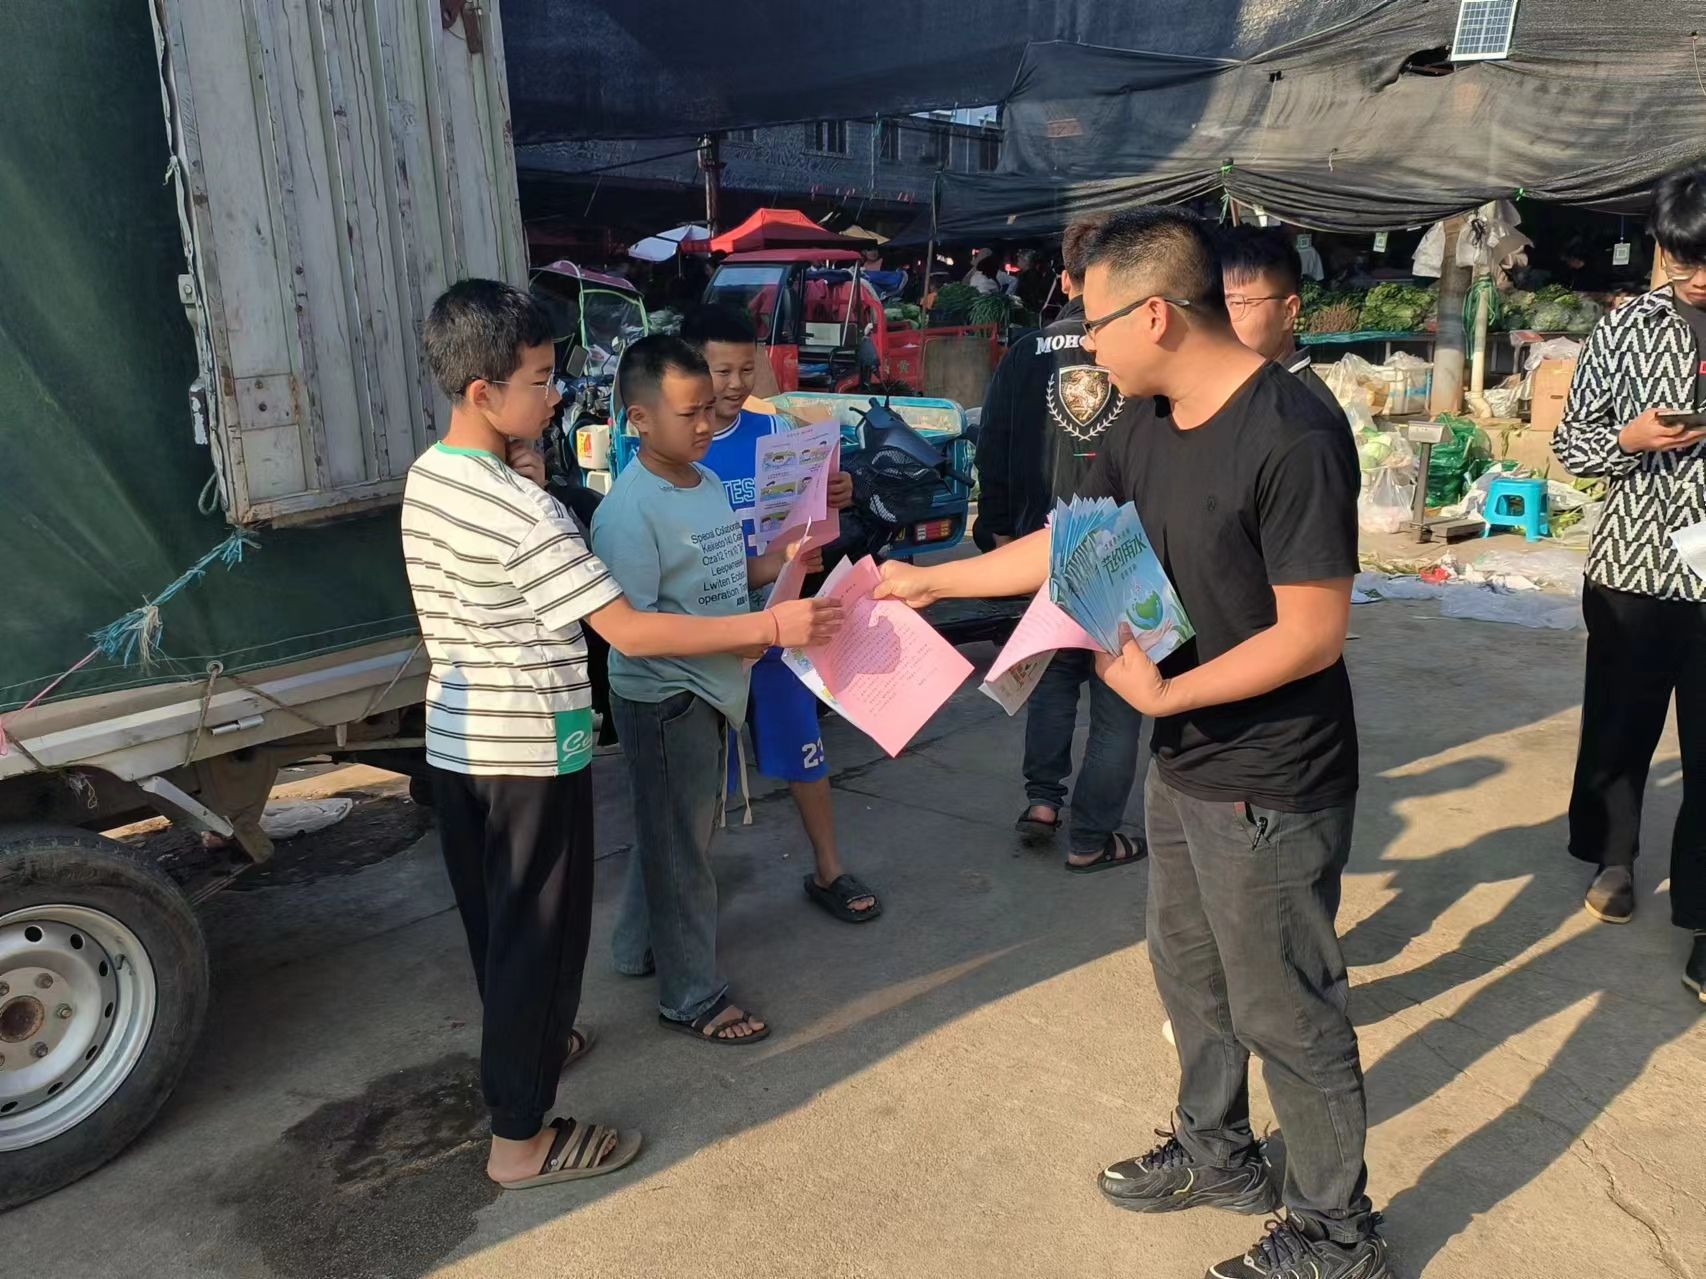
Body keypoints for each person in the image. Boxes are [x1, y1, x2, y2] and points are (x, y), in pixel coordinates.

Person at [876, 209, 1388, 1279]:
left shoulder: (1292, 432)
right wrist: (933, 582)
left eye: (1095, 321)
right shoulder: (1143, 421)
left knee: (1286, 1007)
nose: (1085, 342)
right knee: (1188, 969)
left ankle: (1337, 1232)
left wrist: (1166, 691)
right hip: (1186, 759)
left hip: (1271, 774)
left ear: (1155, 314)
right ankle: (1216, 1152)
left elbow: (1312, 631)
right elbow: (1069, 541)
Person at [402, 284, 837, 1185]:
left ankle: (534, 1045)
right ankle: (522, 1141)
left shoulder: (432, 476)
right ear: (483, 391)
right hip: (530, 749)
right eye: (538, 379)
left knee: (502, 930)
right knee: (543, 938)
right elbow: (630, 631)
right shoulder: (527, 509)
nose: (555, 394)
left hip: (462, 741)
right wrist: (770, 626)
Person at [591, 335, 842, 1046]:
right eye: (688, 413)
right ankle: (691, 994)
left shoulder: (699, 482)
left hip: (708, 688)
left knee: (671, 833)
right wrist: (761, 629)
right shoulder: (628, 512)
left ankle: (637, 947)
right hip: (665, 700)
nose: (706, 424)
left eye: (709, 408)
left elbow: (727, 572)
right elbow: (635, 632)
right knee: (682, 852)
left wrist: (781, 560)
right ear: (639, 419)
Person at [1553, 161, 1706, 1001]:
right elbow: (1572, 446)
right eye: (1684, 259)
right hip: (1634, 569)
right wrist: (1630, 440)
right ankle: (1613, 857)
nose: (1698, 277)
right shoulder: (1626, 329)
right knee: (1620, 727)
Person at [682, 304, 883, 921]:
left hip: (781, 625)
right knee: (699, 776)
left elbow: (811, 510)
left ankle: (830, 869)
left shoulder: (776, 433)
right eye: (721, 371)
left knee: (804, 748)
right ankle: (686, 897)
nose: (735, 384)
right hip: (708, 637)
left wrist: (838, 490)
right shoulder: (675, 446)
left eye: (746, 369)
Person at [975, 217, 1147, 872]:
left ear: (1067, 279)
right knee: (1118, 697)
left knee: (1051, 679)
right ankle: (1092, 836)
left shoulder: (1024, 352)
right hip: (1123, 548)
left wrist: (997, 532)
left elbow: (992, 446)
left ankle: (1043, 802)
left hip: (1038, 543)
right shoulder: (1136, 353)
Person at [1217, 225, 1343, 418]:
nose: (1222, 318)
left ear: (1288, 312)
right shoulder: (1239, 388)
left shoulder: (1310, 413)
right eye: (1218, 304)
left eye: (1236, 303)